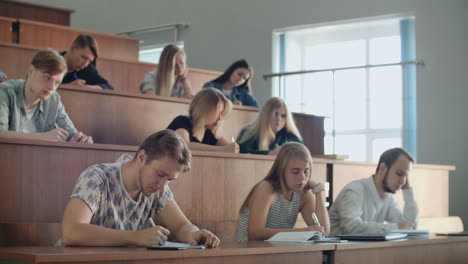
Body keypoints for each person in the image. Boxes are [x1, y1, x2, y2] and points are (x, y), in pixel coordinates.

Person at [61, 129, 220, 247]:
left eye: (170, 179)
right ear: (142, 157)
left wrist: (195, 233)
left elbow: (181, 226)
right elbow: (71, 231)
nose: (162, 185)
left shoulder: (159, 189)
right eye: (160, 174)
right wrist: (135, 237)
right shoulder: (97, 178)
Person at [233, 142, 330, 241]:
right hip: (247, 252)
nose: (302, 177)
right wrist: (302, 232)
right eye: (295, 172)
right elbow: (254, 234)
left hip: (275, 252)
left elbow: (324, 231)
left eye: (306, 171)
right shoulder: (266, 188)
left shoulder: (302, 193)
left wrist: (318, 191)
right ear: (281, 171)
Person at [0, 48, 93, 143]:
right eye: (47, 78)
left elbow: (71, 134)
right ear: (31, 71)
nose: (52, 87)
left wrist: (81, 140)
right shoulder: (4, 91)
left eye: (57, 83)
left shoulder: (54, 99)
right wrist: (42, 137)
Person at [328, 147, 418, 236]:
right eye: (399, 174)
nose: (403, 181)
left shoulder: (388, 198)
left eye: (406, 176)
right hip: (337, 249)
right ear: (383, 168)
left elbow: (409, 227)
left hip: (363, 249)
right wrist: (396, 228)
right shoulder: (354, 190)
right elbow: (351, 228)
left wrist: (407, 191)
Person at [167, 88, 239, 153]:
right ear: (204, 111)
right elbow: (183, 146)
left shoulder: (209, 131)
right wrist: (221, 150)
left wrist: (233, 148)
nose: (220, 119)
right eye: (217, 113)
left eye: (222, 114)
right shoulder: (182, 121)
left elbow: (228, 147)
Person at [237, 97, 302, 155]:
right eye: (275, 114)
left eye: (283, 116)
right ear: (266, 115)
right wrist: (269, 153)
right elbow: (243, 151)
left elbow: (303, 154)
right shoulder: (250, 132)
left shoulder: (290, 137)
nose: (279, 119)